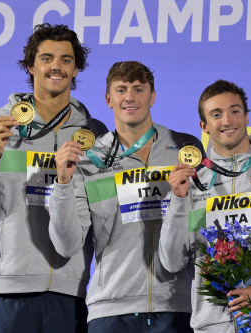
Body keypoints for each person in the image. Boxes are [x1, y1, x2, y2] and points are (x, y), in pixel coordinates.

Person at [0, 23, 107, 332]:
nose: (56, 66)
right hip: (10, 292)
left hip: (71, 294)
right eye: (47, 58)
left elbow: (104, 213)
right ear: (31, 65)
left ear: (77, 68)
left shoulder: (95, 134)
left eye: (66, 60)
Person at [49, 61, 203, 332]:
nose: (130, 97)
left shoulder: (184, 149)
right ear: (109, 99)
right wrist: (62, 183)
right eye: (121, 90)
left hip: (176, 307)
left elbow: (198, 226)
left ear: (152, 96)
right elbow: (66, 244)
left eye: (138, 89)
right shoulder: (89, 159)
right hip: (111, 310)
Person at [159, 79, 251, 332]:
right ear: (203, 126)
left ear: (247, 117)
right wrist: (178, 200)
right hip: (211, 324)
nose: (227, 120)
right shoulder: (192, 183)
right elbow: (171, 261)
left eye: (235, 111)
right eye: (217, 114)